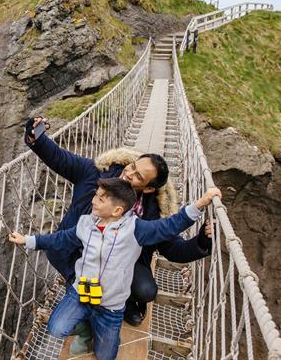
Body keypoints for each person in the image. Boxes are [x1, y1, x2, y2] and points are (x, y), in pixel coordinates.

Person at [24, 117, 213, 337]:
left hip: (123, 265)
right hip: (81, 258)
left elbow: (174, 250)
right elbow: (59, 158)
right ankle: (79, 287)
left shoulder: (153, 214)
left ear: (149, 189)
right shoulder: (94, 174)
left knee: (146, 290)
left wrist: (201, 241)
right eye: (132, 166)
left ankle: (127, 302)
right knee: (75, 318)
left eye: (138, 177)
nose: (128, 174)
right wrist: (36, 137)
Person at [9, 178, 221, 360]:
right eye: (96, 195)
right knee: (56, 328)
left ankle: (101, 330)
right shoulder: (86, 223)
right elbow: (61, 238)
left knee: (106, 356)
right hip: (81, 294)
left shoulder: (136, 229)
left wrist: (201, 203)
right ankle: (85, 328)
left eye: (101, 198)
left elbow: (169, 226)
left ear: (118, 210)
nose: (93, 200)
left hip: (111, 305)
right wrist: (28, 240)